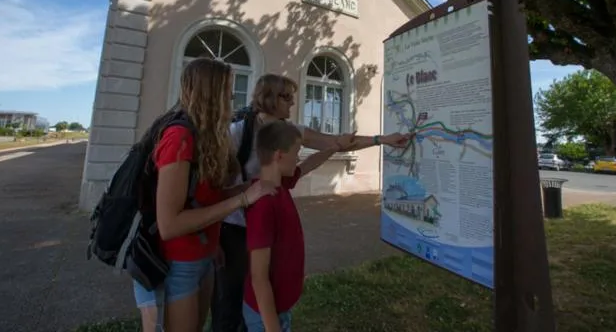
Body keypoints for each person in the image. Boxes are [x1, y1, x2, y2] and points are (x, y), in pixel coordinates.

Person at [210, 73, 411, 332]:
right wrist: (213, 236)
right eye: (287, 97)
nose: (293, 103)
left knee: (260, 294)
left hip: (266, 224)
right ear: (269, 98)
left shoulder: (289, 133)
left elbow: (337, 143)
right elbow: (217, 187)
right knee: (230, 306)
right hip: (236, 227)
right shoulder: (238, 133)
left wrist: (380, 140)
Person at [134, 58, 277, 332]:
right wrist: (240, 200)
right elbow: (170, 224)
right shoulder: (179, 138)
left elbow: (203, 199)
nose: (231, 96)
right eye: (227, 90)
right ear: (210, 93)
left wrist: (241, 189)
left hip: (204, 255)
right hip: (178, 265)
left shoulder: (206, 136)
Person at [243, 121, 355, 331]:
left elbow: (310, 163)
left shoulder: (279, 185)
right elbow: (259, 277)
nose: (298, 158)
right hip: (265, 317)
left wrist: (335, 147)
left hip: (279, 309)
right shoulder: (264, 204)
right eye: (296, 152)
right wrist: (272, 327)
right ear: (279, 155)